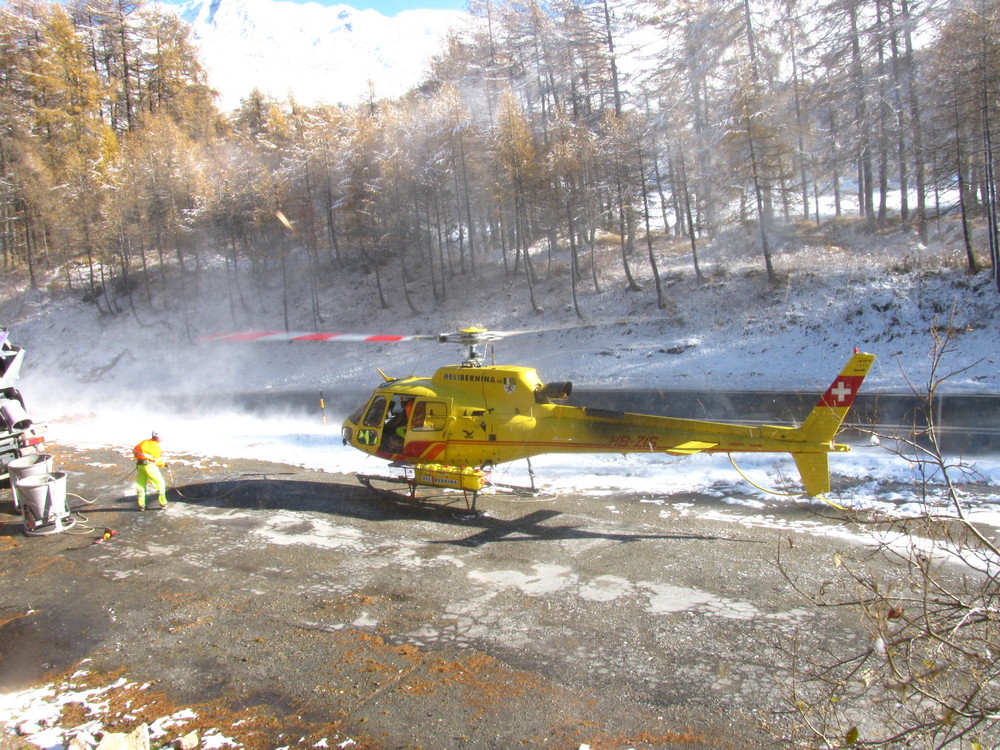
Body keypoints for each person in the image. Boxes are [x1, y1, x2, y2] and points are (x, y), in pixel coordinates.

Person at [133, 431, 167, 510]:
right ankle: (163, 504)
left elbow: (134, 451)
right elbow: (157, 461)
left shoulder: (143, 442)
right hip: (149, 466)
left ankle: (141, 505)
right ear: (157, 438)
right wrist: (164, 464)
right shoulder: (155, 446)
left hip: (140, 465)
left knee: (141, 485)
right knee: (160, 484)